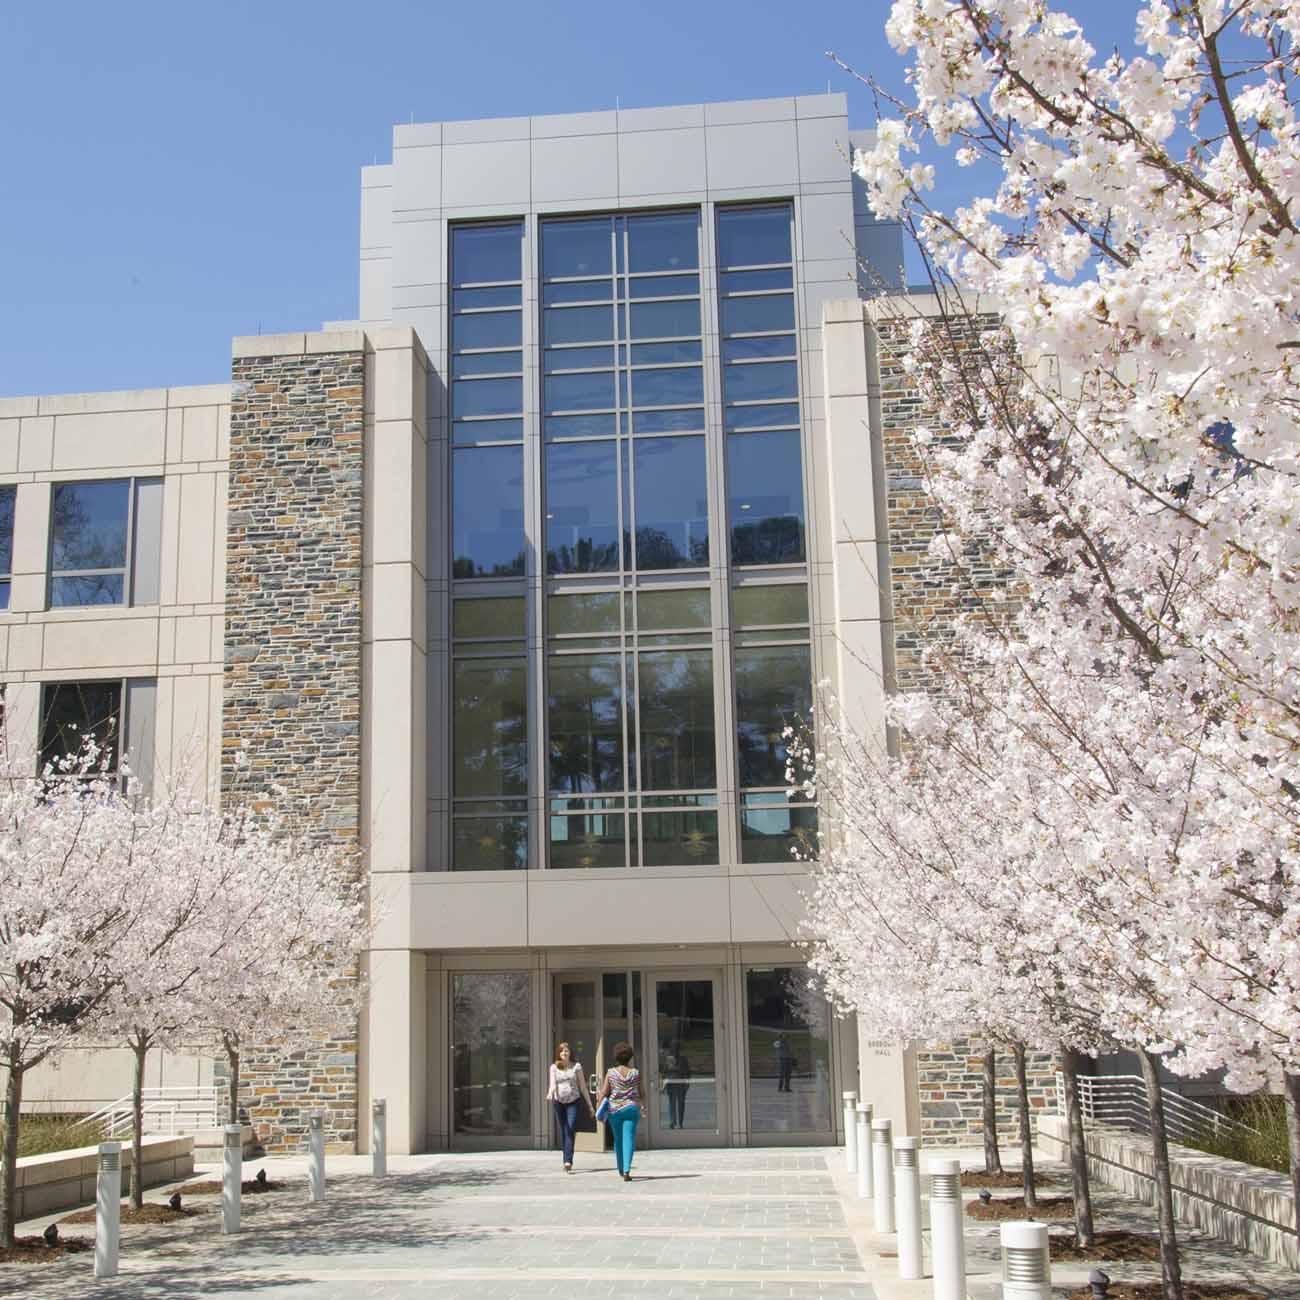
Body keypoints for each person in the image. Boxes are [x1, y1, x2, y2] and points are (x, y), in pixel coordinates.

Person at [596, 1040, 645, 1181]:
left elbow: (604, 1092)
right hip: (631, 1108)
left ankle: (620, 1168)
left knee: (618, 1140)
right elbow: (642, 1093)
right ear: (630, 1057)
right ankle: (627, 1170)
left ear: (616, 1056)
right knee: (629, 1138)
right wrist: (642, 1105)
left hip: (614, 1110)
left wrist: (598, 1104)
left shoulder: (611, 1073)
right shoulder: (635, 1073)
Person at [547, 1041, 594, 1172]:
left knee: (570, 1127)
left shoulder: (576, 1066)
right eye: (562, 1051)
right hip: (559, 1102)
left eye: (566, 1051)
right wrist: (550, 1093)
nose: (564, 1053)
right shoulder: (554, 1067)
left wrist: (590, 1105)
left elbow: (583, 1087)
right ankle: (566, 1159)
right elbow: (552, 1084)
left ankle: (568, 1160)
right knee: (564, 1130)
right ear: (559, 1054)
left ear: (570, 1053)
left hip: (573, 1101)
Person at [664, 1045, 691, 1129]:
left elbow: (687, 1072)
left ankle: (680, 1122)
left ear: (678, 1050)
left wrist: (687, 1083)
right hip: (671, 1084)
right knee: (672, 1103)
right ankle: (672, 1121)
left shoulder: (683, 1059)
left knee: (681, 1103)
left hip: (681, 1083)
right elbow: (664, 1071)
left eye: (676, 1049)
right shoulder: (668, 1059)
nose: (674, 1051)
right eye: (673, 1049)